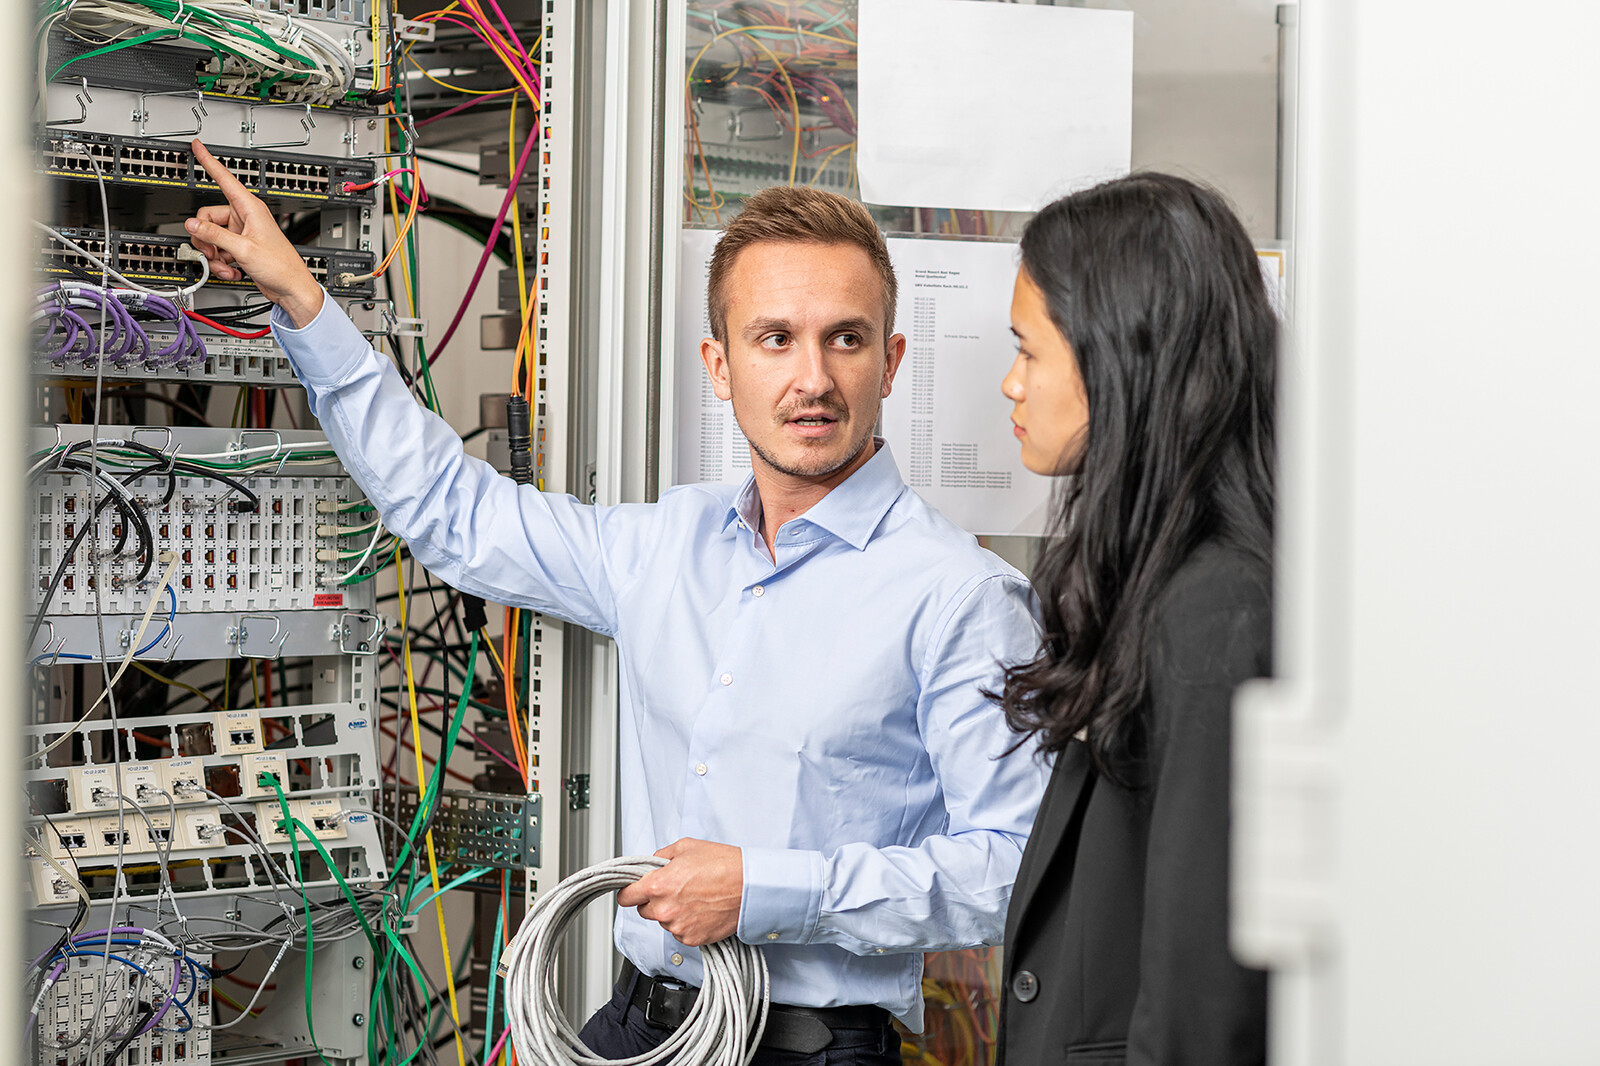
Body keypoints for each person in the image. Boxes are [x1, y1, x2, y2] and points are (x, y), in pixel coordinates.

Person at [182, 141, 1048, 1064]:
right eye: (775, 338)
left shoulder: (959, 595)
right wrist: (306, 306)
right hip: (638, 1025)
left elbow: (1014, 869)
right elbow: (456, 514)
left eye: (846, 337)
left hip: (808, 1046)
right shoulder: (666, 545)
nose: (814, 379)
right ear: (720, 366)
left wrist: (765, 890)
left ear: (891, 358)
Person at [992, 173, 1277, 1065]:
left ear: (1119, 357)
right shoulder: (1164, 580)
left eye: (1029, 352)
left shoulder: (1217, 610)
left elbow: (1204, 999)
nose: (1010, 384)